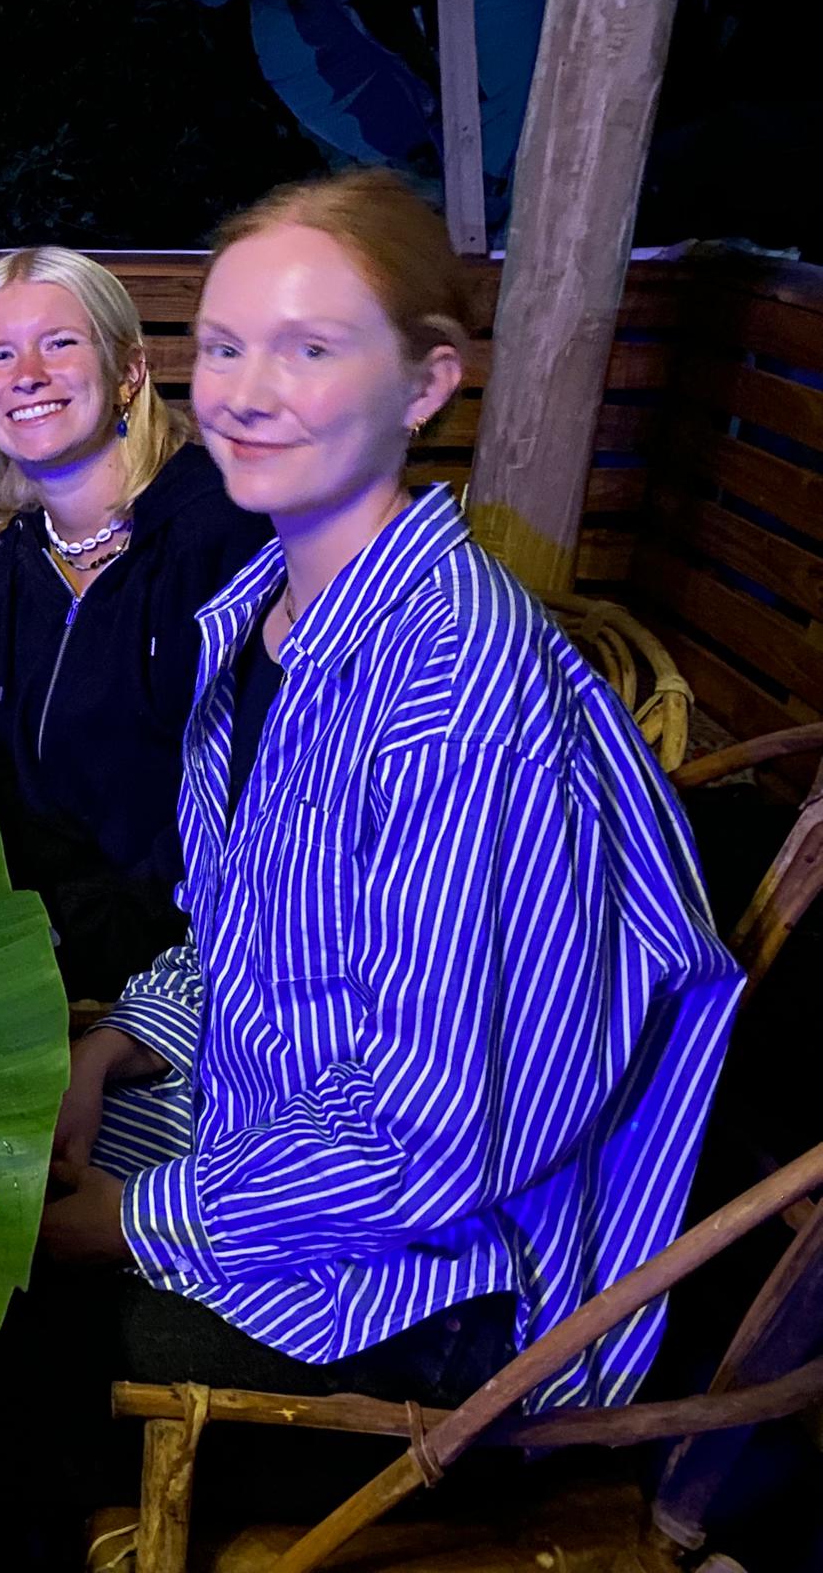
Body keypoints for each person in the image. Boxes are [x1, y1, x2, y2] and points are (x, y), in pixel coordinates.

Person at [45, 169, 742, 1428]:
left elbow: (439, 1137)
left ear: (425, 384)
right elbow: (250, 936)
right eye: (222, 345)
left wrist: (127, 1221)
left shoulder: (457, 685)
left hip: (448, 1292)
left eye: (309, 348)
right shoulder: (261, 622)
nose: (247, 392)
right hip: (271, 1142)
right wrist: (119, 1042)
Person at [0, 247, 271, 999]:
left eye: (59, 342)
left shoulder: (223, 535)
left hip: (199, 963)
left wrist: (101, 954)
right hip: (51, 941)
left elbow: (254, 793)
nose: (26, 372)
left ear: (128, 372)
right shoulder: (5, 565)